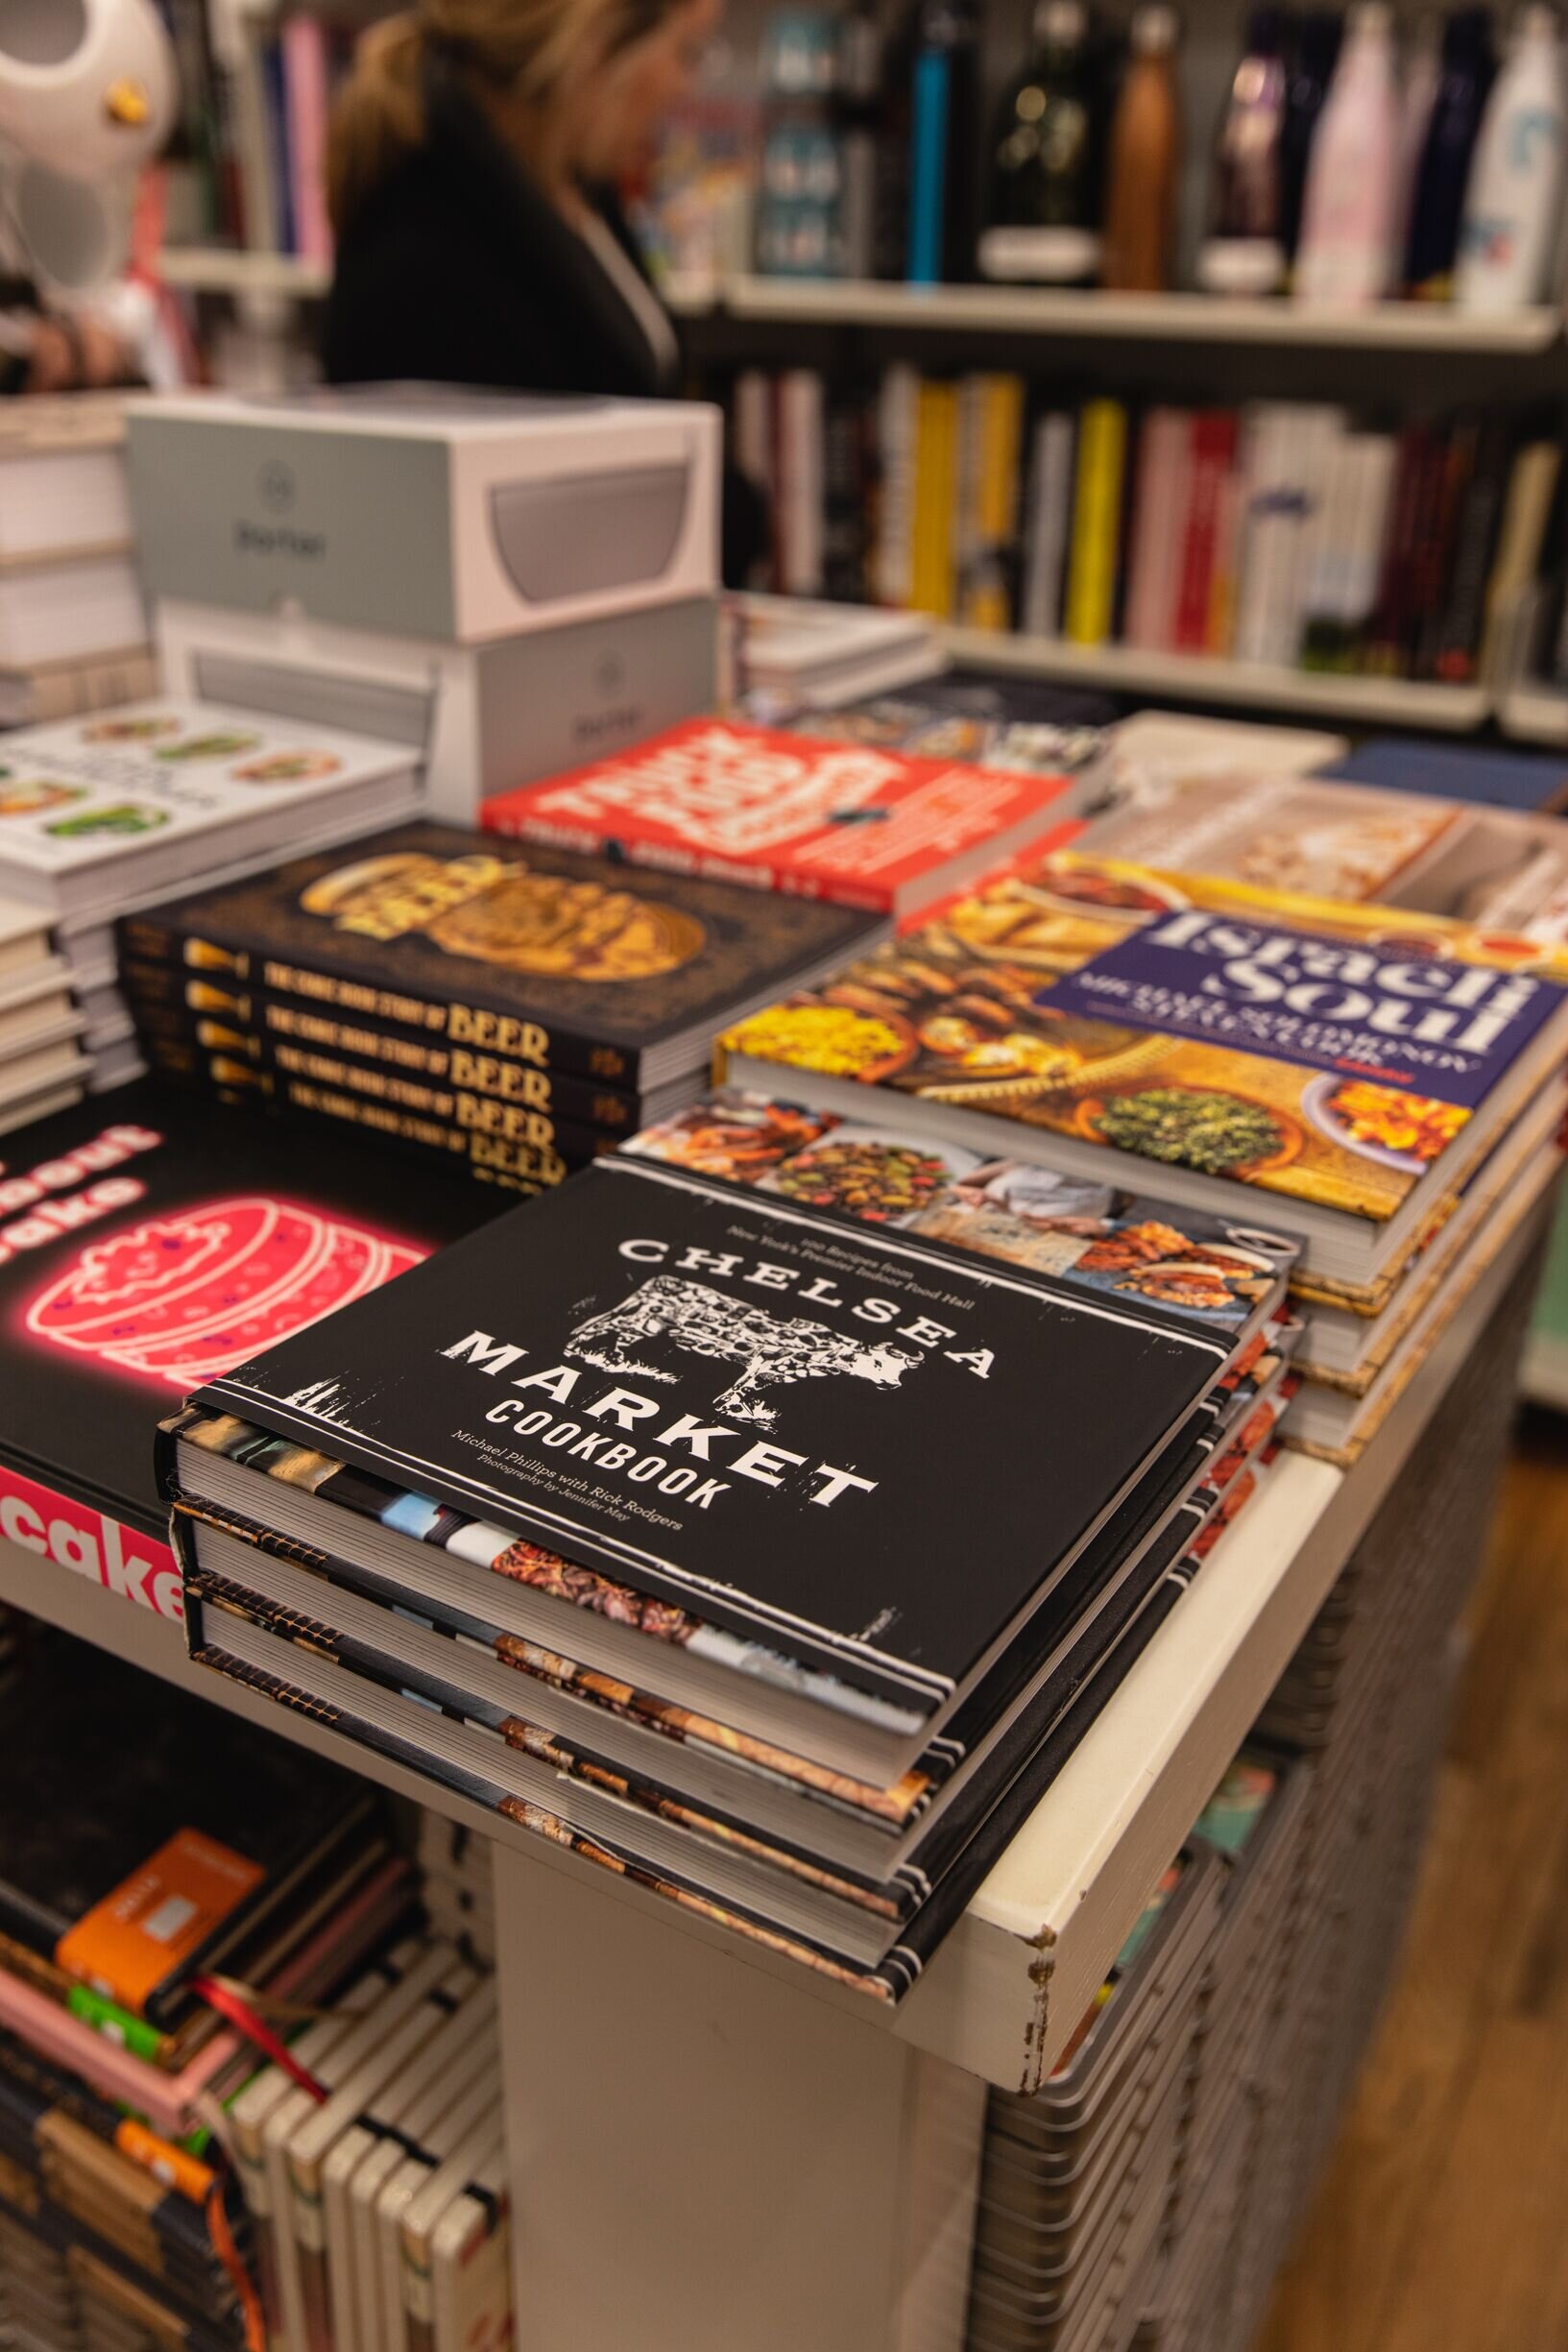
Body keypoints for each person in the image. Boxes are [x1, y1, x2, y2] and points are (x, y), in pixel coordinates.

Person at [323, 0, 763, 581]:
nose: (687, 83)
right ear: (597, 44)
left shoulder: (568, 186)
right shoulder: (422, 243)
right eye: (685, 50)